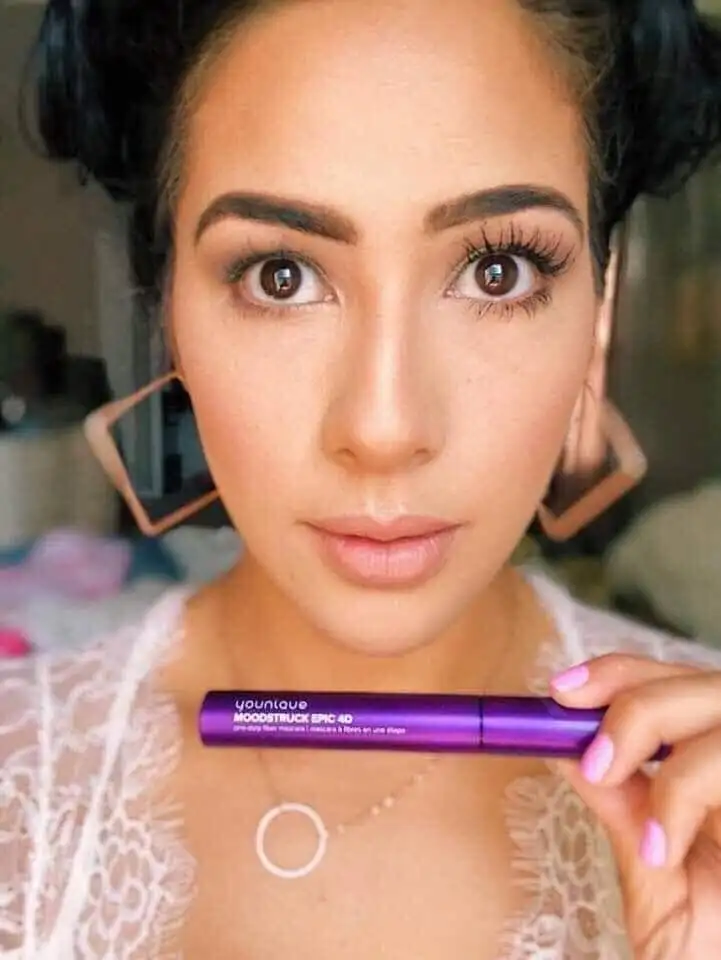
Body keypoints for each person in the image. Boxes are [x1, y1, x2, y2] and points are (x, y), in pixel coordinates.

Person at [2, 0, 721, 956]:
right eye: (281, 275)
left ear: (595, 296)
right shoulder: (20, 773)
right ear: (166, 308)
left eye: (499, 272)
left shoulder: (702, 794)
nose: (384, 429)